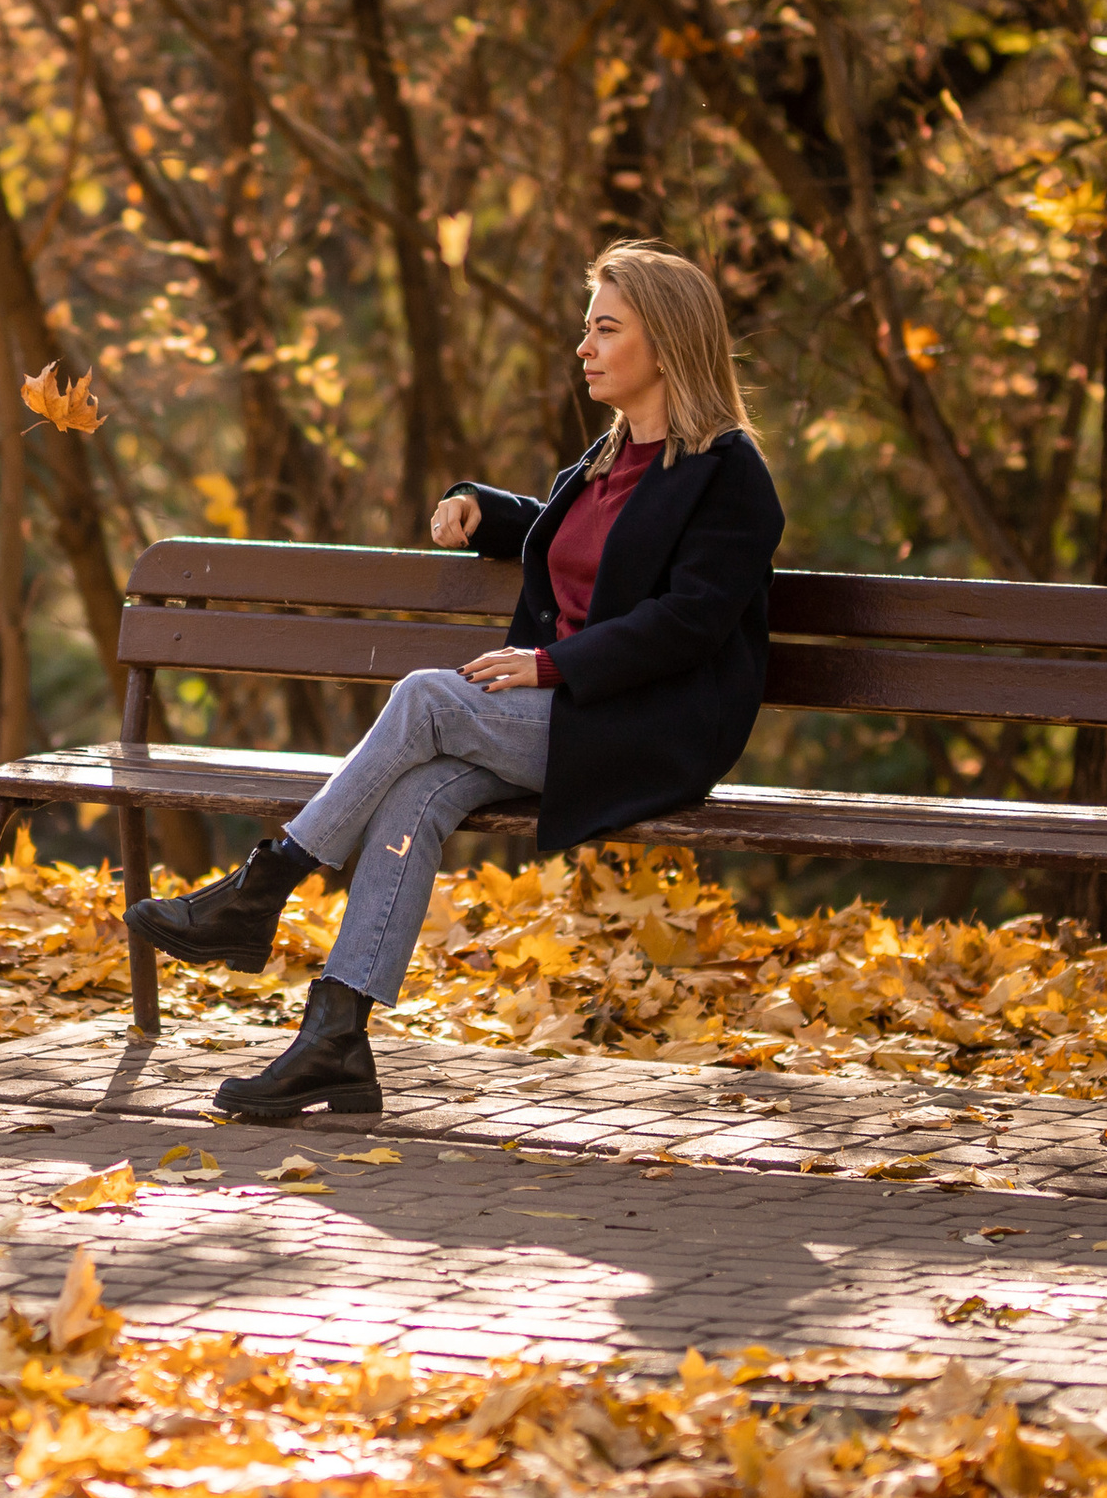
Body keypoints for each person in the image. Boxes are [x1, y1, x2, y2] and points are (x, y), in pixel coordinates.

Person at [126, 239, 785, 1121]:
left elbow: (691, 619)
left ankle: (265, 886)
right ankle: (335, 1040)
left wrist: (552, 662)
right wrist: (484, 509)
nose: (583, 348)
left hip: (642, 728)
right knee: (420, 797)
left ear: (663, 343)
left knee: (427, 696)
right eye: (586, 330)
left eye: (604, 329)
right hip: (559, 712)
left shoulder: (729, 474)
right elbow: (564, 537)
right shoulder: (607, 457)